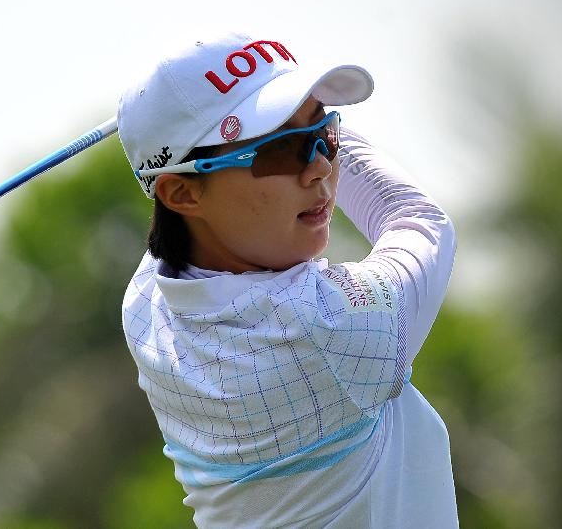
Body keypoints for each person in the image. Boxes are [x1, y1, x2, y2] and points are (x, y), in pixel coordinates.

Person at [116, 31, 459, 528]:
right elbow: (417, 220)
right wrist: (313, 115)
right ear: (184, 195)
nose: (320, 167)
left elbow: (168, 214)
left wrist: (295, 118)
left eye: (327, 137)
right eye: (280, 150)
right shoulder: (328, 330)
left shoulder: (147, 304)